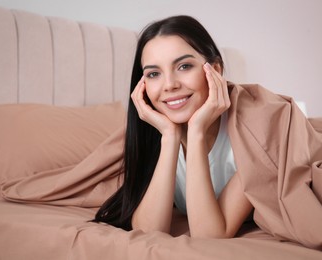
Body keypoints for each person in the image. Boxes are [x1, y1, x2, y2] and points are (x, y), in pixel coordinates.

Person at [93, 15, 253, 238]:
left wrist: (196, 131)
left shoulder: (252, 136)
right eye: (154, 74)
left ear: (215, 70)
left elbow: (208, 237)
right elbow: (147, 233)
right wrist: (169, 136)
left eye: (184, 66)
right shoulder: (155, 133)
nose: (169, 85)